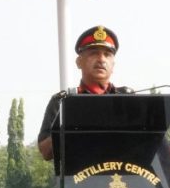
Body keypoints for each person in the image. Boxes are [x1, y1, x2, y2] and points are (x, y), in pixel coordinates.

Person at [37, 25, 132, 161]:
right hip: (79, 179)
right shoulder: (62, 102)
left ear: (113, 65)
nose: (101, 59)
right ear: (79, 62)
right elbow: (46, 152)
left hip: (125, 178)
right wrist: (71, 122)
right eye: (94, 53)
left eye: (107, 54)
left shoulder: (128, 100)